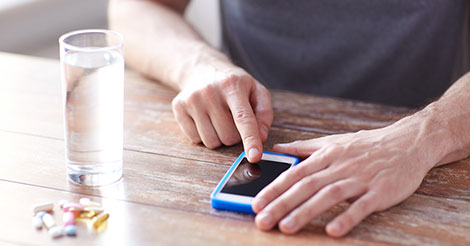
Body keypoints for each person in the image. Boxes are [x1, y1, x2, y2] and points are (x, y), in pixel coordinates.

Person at [109, 0, 470, 237]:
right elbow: (138, 7)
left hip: (428, 157)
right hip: (244, 138)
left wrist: (423, 137)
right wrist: (198, 65)